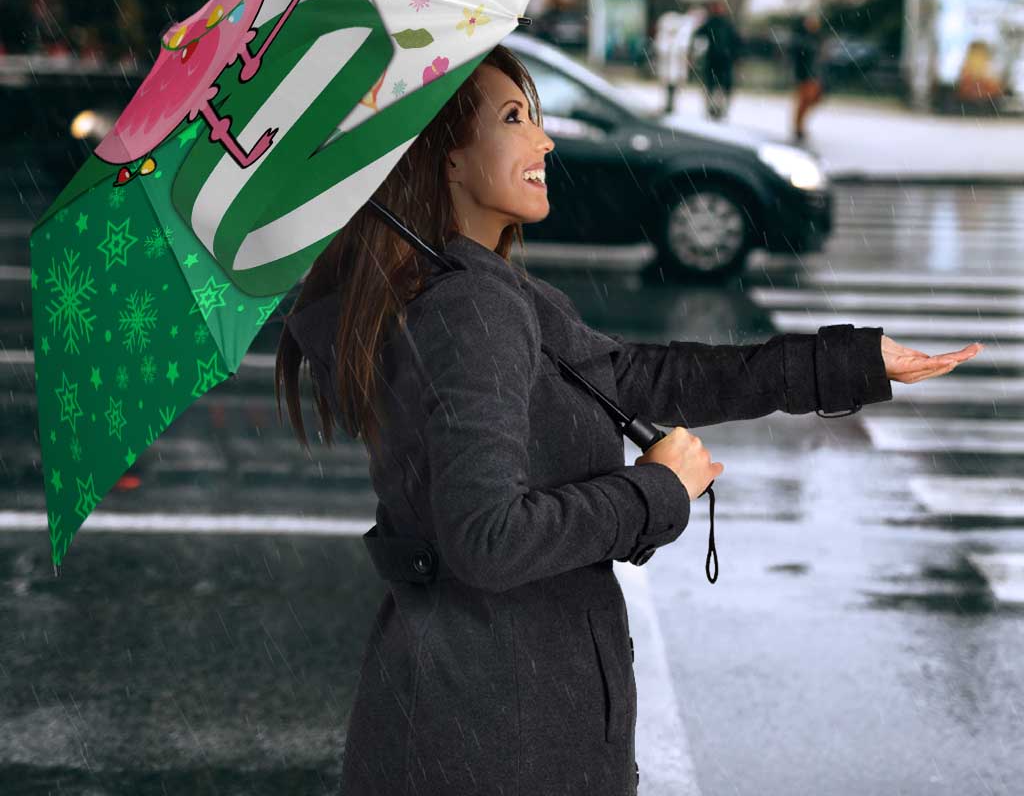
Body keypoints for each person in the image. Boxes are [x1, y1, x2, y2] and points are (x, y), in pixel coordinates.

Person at [276, 43, 972, 796]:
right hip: (497, 736)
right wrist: (656, 491)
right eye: (515, 118)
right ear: (445, 158)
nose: (544, 140)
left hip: (476, 716)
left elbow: (639, 377)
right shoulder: (468, 309)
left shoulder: (474, 290)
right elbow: (488, 540)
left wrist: (851, 363)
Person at [692, 0, 742, 121]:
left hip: (723, 60)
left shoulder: (725, 24)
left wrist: (735, 56)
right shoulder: (712, 23)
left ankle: (719, 109)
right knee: (713, 86)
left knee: (720, 87)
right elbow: (698, 36)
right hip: (715, 60)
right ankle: (713, 109)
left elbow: (736, 42)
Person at [790, 11, 826, 142]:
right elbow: (799, 58)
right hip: (805, 75)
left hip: (814, 75)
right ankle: (798, 127)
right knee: (804, 101)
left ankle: (799, 126)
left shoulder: (817, 38)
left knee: (812, 100)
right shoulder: (802, 39)